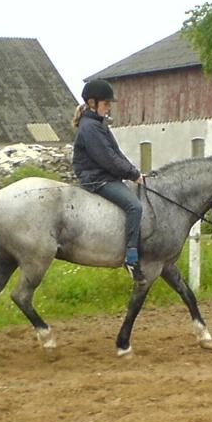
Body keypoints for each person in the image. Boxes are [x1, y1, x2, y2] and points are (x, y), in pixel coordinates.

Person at [72, 79, 145, 282]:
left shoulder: (98, 125)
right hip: (97, 179)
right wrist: (133, 175)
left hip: (104, 175)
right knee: (135, 207)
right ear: (92, 103)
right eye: (106, 104)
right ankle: (131, 259)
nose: (109, 107)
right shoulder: (90, 128)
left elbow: (117, 154)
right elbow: (107, 159)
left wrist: (135, 172)